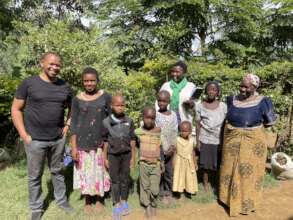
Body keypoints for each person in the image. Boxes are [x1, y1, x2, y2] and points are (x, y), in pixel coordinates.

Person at [11, 52, 73, 220]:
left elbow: (72, 108)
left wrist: (67, 126)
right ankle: (36, 208)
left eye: (58, 65)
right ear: (41, 63)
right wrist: (24, 135)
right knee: (34, 176)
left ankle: (61, 201)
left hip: (57, 139)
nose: (55, 67)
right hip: (35, 140)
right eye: (51, 64)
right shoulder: (29, 84)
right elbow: (16, 109)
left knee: (58, 171)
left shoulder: (65, 87)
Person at [219, 73, 277, 216]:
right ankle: (227, 199)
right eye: (241, 85)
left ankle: (246, 203)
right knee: (229, 169)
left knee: (248, 173)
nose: (242, 89)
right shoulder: (231, 99)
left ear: (254, 87)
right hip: (232, 141)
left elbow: (269, 124)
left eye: (246, 87)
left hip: (252, 143)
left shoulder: (264, 102)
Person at [70, 67, 111, 214]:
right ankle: (88, 200)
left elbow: (112, 118)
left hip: (100, 142)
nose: (89, 84)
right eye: (86, 81)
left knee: (99, 172)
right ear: (82, 82)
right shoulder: (77, 99)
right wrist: (74, 147)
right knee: (86, 172)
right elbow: (73, 123)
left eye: (92, 80)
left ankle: (100, 199)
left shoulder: (105, 96)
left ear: (97, 81)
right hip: (82, 143)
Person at [102, 94, 136, 220]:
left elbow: (132, 140)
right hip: (113, 155)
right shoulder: (106, 122)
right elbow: (105, 141)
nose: (120, 107)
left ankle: (124, 201)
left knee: (125, 179)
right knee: (115, 180)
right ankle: (116, 204)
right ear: (112, 106)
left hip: (126, 154)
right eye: (117, 105)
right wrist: (105, 157)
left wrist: (133, 156)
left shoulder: (129, 121)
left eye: (122, 105)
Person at [195, 81, 227, 192]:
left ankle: (216, 182)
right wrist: (198, 141)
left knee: (218, 162)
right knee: (205, 164)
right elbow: (198, 124)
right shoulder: (199, 106)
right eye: (209, 89)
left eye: (214, 90)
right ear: (205, 91)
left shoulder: (223, 106)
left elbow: (225, 125)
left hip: (218, 139)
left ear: (218, 92)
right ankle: (205, 183)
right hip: (205, 137)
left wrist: (223, 141)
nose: (211, 91)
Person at [135, 107, 164, 218]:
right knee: (144, 186)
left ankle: (154, 203)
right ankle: (147, 205)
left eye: (152, 118)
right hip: (143, 164)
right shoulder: (138, 132)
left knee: (154, 188)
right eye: (147, 118)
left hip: (155, 165)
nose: (149, 121)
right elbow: (136, 145)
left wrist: (162, 162)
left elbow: (160, 147)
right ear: (143, 118)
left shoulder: (158, 131)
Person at [155, 90, 177, 203]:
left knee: (169, 171)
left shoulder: (173, 115)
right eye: (159, 100)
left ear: (169, 101)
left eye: (164, 101)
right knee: (159, 172)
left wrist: (173, 147)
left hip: (170, 149)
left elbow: (175, 131)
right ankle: (159, 192)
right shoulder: (155, 114)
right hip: (158, 149)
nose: (161, 103)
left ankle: (169, 192)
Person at [173, 121, 198, 197]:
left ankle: (189, 190)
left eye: (186, 131)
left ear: (190, 131)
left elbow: (193, 153)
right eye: (182, 131)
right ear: (179, 131)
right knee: (179, 176)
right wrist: (173, 163)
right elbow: (175, 152)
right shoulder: (177, 140)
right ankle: (178, 191)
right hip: (179, 162)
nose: (184, 133)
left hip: (189, 161)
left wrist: (195, 163)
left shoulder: (191, 141)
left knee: (189, 176)